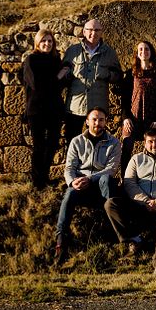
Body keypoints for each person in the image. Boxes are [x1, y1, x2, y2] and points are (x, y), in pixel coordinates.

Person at [104, 128, 156, 273]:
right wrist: (145, 201)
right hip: (141, 206)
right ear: (144, 143)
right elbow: (129, 183)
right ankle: (134, 240)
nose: (154, 145)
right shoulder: (136, 159)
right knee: (111, 204)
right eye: (150, 142)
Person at [54, 107, 121, 263]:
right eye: (94, 119)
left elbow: (111, 169)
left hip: (99, 183)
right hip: (80, 184)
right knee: (69, 193)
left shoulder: (114, 143)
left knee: (106, 179)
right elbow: (69, 167)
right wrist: (73, 181)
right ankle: (60, 242)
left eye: (101, 120)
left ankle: (112, 233)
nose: (98, 123)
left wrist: (90, 179)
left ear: (106, 122)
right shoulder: (77, 141)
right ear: (87, 121)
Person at [60, 18, 122, 140]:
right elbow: (62, 77)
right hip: (75, 107)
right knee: (72, 143)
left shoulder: (109, 53)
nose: (93, 33)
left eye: (97, 30)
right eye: (90, 30)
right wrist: (71, 73)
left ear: (101, 32)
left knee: (96, 143)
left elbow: (119, 76)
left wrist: (107, 74)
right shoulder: (73, 51)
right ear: (84, 32)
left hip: (98, 108)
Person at [22, 29, 65, 189]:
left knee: (53, 144)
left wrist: (60, 77)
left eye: (50, 41)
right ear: (37, 43)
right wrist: (58, 77)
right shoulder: (31, 60)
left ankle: (45, 177)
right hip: (37, 109)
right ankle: (37, 181)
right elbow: (37, 85)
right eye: (43, 41)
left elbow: (61, 85)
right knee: (39, 145)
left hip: (54, 109)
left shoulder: (56, 60)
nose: (47, 44)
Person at [121, 40, 156, 174]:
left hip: (152, 119)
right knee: (127, 148)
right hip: (133, 118)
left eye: (146, 49)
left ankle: (153, 177)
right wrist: (125, 118)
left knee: (154, 150)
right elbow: (124, 99)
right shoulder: (130, 74)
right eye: (140, 49)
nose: (144, 52)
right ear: (137, 53)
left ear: (151, 52)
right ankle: (126, 179)